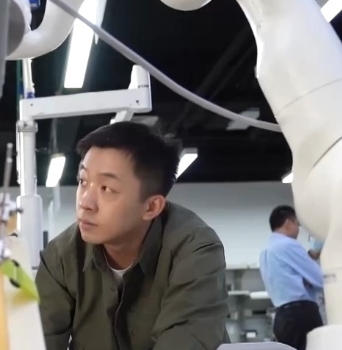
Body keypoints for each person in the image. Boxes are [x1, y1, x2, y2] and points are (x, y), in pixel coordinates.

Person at [36, 122, 230, 350]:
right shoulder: (60, 257)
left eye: (106, 188)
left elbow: (185, 340)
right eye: (83, 181)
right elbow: (36, 341)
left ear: (151, 207)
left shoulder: (196, 251)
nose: (85, 202)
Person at [259, 205, 324, 350]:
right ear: (288, 223)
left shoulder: (266, 252)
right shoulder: (288, 245)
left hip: (282, 316)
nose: (298, 229)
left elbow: (285, 280)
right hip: (301, 315)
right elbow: (319, 278)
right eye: (297, 224)